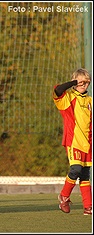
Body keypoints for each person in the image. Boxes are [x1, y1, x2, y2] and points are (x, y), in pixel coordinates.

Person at [53, 68, 92, 216]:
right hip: (73, 141)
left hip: (87, 144)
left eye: (86, 81)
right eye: (80, 81)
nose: (83, 84)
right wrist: (74, 82)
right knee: (75, 170)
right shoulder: (68, 98)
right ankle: (64, 196)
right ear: (75, 81)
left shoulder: (89, 101)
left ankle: (88, 207)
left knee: (84, 175)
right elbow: (58, 90)